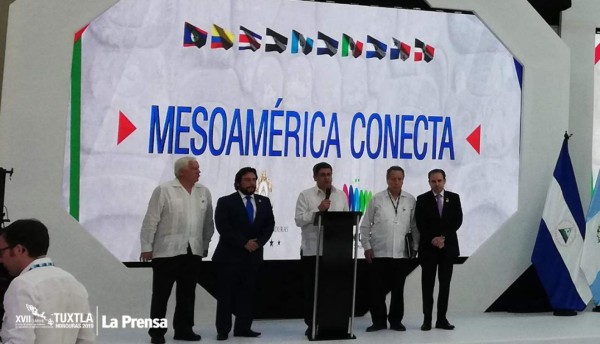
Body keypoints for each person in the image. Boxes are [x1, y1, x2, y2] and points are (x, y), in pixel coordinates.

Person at [140, 157, 214, 344]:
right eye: (195, 168)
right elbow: (151, 219)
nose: (199, 171)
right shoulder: (164, 190)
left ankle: (184, 329)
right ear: (182, 172)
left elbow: (208, 222)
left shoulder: (203, 191)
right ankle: (157, 333)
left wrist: (205, 245)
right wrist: (147, 246)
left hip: (193, 249)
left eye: (198, 168)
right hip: (166, 251)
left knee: (188, 293)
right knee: (161, 295)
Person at [0, 219, 95, 344]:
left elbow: (20, 341)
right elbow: (86, 340)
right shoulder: (74, 284)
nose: (0, 260)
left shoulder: (22, 285)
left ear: (19, 250)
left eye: (1, 252)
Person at [213, 167, 275, 341]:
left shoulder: (263, 201)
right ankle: (223, 329)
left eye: (254, 179)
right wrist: (243, 242)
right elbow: (223, 227)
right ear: (238, 182)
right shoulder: (226, 201)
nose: (252, 183)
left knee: (247, 293)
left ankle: (243, 327)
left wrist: (258, 243)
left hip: (253, 256)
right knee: (226, 295)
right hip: (229, 256)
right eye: (247, 180)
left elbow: (269, 225)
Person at [360, 166, 419, 332]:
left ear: (403, 180)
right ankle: (378, 322)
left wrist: (415, 246)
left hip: (401, 253)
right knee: (376, 290)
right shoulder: (376, 199)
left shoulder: (410, 200)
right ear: (387, 179)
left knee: (398, 290)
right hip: (379, 251)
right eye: (393, 178)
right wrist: (366, 246)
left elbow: (414, 226)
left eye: (400, 178)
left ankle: (396, 321)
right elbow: (365, 226)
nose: (396, 182)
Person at [294, 162, 349, 336]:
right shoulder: (305, 195)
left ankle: (333, 323)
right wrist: (318, 210)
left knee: (334, 290)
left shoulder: (340, 195)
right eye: (323, 175)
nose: (327, 178)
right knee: (313, 291)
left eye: (329, 174)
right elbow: (299, 220)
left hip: (336, 252)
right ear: (315, 177)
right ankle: (312, 324)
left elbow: (346, 219)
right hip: (313, 251)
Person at [415, 169, 462, 331]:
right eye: (433, 181)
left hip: (448, 248)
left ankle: (442, 319)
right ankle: (427, 319)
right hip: (428, 249)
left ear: (444, 180)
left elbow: (457, 221)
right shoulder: (422, 200)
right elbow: (420, 223)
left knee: (445, 285)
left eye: (439, 180)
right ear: (429, 182)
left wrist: (443, 237)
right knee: (427, 285)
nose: (437, 184)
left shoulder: (454, 198)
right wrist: (433, 239)